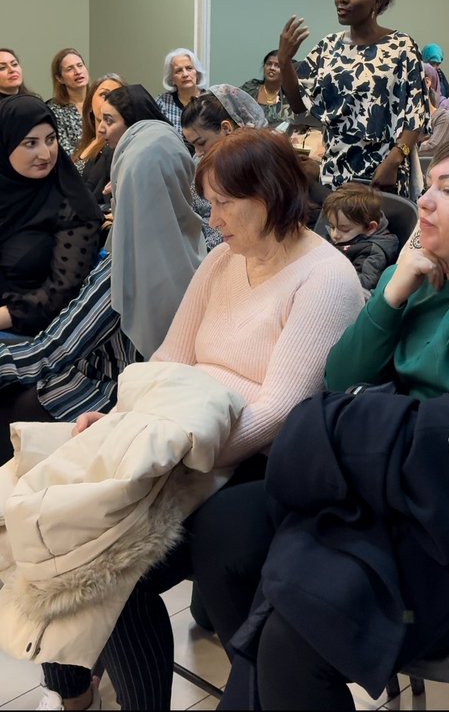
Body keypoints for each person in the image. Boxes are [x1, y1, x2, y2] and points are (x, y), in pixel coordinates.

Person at [211, 134, 449, 711]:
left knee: (295, 633)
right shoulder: (422, 270)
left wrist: (353, 426)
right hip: (397, 497)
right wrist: (391, 295)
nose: (425, 201)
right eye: (429, 184)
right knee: (223, 532)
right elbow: (342, 376)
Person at [37, 128, 365, 712]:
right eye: (207, 203)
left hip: (250, 465)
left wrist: (163, 454)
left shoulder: (325, 279)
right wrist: (117, 421)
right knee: (56, 518)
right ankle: (71, 686)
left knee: (110, 568)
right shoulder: (223, 259)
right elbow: (170, 357)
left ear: (267, 196)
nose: (211, 220)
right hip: (184, 442)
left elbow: (278, 409)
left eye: (222, 204)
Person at [0, 119, 206, 465]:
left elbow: (52, 350)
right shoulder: (201, 250)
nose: (108, 190)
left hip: (99, 399)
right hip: (157, 405)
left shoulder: (124, 268)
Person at [278, 0, 429, 196]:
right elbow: (299, 106)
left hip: (383, 171)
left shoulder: (401, 46)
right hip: (334, 170)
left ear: (377, 3)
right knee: (337, 230)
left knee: (376, 231)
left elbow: (415, 114)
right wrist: (285, 61)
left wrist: (395, 160)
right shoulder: (328, 46)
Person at [0, 96, 101, 340]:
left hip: (30, 336)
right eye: (30, 143)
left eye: (50, 139)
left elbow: (59, 296)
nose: (45, 154)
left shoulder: (74, 205)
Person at [181, 87, 267, 248]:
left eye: (201, 143)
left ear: (226, 128)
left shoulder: (261, 166)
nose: (198, 153)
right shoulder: (199, 165)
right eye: (193, 146)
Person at [323, 182, 400, 292]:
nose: (335, 234)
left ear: (370, 228)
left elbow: (364, 283)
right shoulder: (347, 232)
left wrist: (328, 273)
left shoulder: (373, 251)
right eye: (332, 226)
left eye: (344, 229)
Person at [71, 74, 125, 204]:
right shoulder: (84, 143)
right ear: (89, 102)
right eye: (104, 95)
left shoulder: (115, 147)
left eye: (116, 96)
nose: (109, 101)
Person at [47, 48, 89, 155]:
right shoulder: (54, 110)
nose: (78, 72)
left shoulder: (100, 102)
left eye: (80, 65)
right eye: (70, 69)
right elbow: (66, 155)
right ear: (60, 78)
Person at [156, 47, 207, 135]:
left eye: (189, 68)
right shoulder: (161, 103)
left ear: (197, 73)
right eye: (179, 71)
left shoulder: (210, 101)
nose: (185, 74)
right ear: (171, 79)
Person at [418, 64, 449, 157]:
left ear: (427, 82)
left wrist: (403, 146)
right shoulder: (402, 122)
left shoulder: (444, 117)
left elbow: (433, 149)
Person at [241, 51, 292, 125]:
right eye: (269, 64)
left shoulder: (290, 96)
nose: (272, 68)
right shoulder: (250, 88)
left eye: (277, 66)